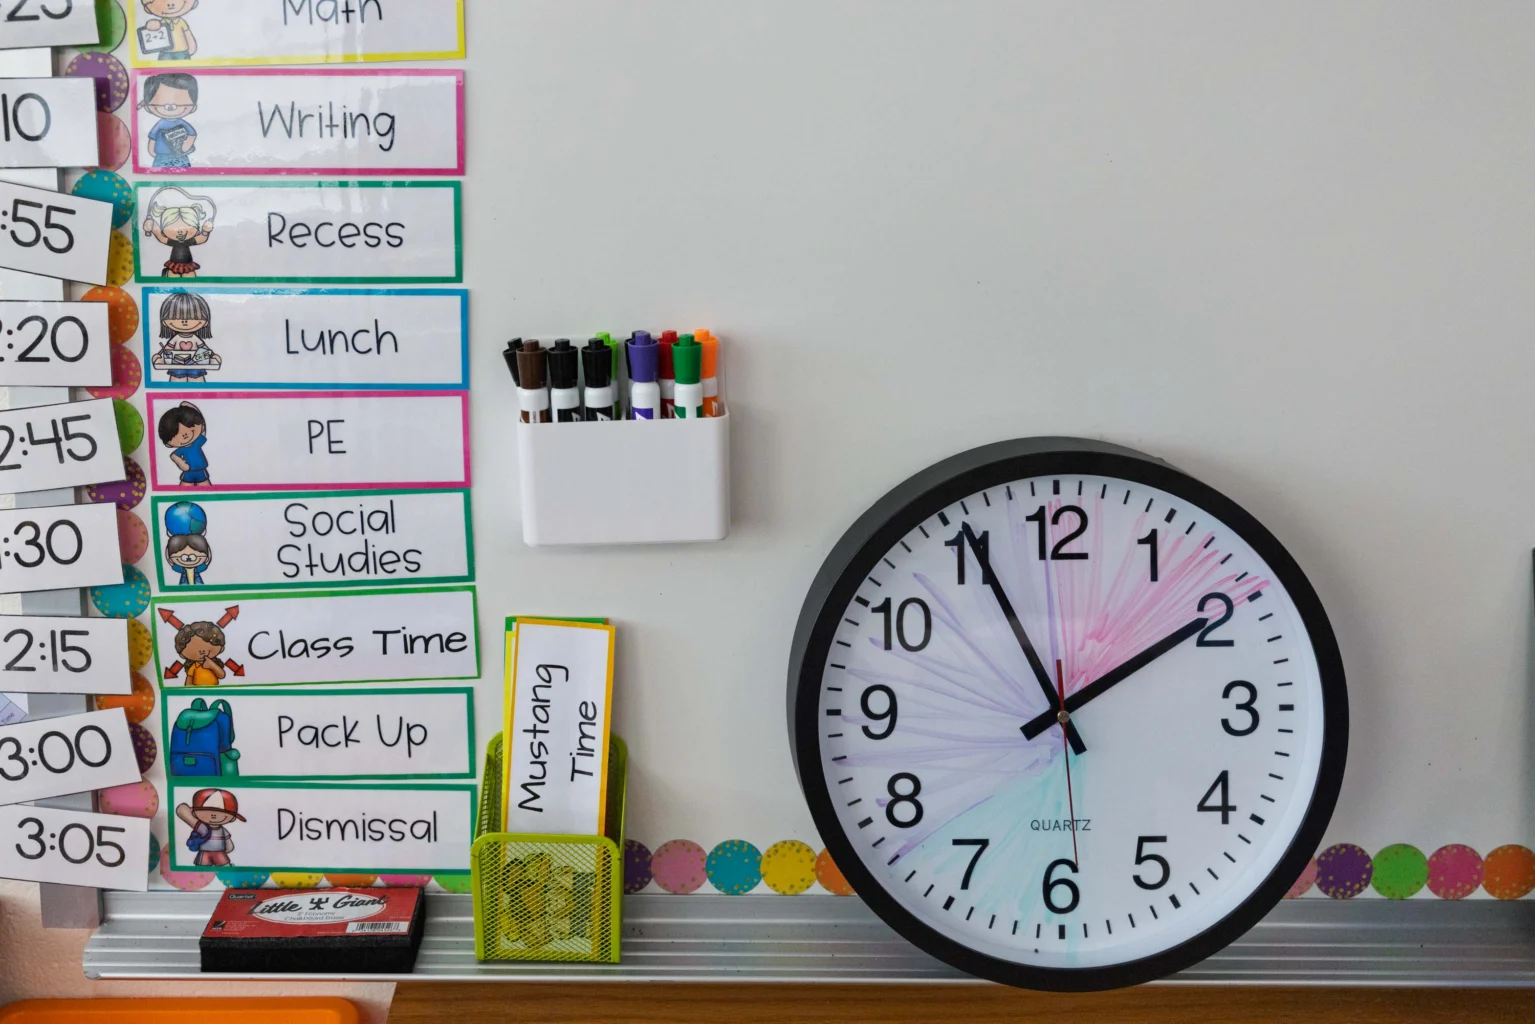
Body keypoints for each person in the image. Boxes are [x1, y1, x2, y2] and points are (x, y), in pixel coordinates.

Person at [143, 186, 217, 278]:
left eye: (187, 227)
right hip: (174, 265)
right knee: (172, 277)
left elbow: (201, 238)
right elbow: (161, 237)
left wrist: (206, 230)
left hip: (188, 265)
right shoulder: (172, 241)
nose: (180, 230)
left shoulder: (189, 241)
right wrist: (151, 224)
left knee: (190, 277)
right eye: (173, 227)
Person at [152, 291, 220, 382]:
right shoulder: (175, 338)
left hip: (196, 365)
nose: (185, 321)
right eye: (176, 318)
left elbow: (205, 350)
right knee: (176, 384)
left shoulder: (195, 339)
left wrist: (214, 356)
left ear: (205, 322)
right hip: (176, 365)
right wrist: (158, 356)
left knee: (197, 384)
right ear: (164, 321)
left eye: (194, 318)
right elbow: (167, 350)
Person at [140, 73, 199, 170]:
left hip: (180, 155)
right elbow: (153, 138)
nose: (171, 106)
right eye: (162, 102)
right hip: (161, 155)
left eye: (179, 102)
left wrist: (186, 146)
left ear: (192, 107)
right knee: (160, 173)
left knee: (183, 172)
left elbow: (192, 134)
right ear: (147, 106)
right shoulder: (160, 124)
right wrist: (151, 150)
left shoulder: (182, 123)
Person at [175, 788, 242, 868]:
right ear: (195, 813)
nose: (213, 815)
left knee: (225, 868)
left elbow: (229, 844)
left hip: (220, 853)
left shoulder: (223, 830)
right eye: (207, 810)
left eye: (220, 812)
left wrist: (228, 848)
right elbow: (181, 809)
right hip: (205, 853)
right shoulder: (202, 827)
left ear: (232, 818)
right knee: (202, 869)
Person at [158, 401, 211, 486]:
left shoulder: (197, 442)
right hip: (188, 473)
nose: (185, 435)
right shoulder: (181, 449)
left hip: (201, 471)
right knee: (184, 489)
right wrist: (180, 462)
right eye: (175, 434)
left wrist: (188, 408)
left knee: (206, 489)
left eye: (190, 428)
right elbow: (173, 456)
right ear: (168, 443)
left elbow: (203, 430)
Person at [174, 620, 227, 687]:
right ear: (182, 655)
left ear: (221, 648)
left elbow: (221, 675)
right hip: (198, 691)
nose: (202, 651)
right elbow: (189, 681)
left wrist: (211, 665)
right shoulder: (194, 666)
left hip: (214, 690)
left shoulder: (214, 663)